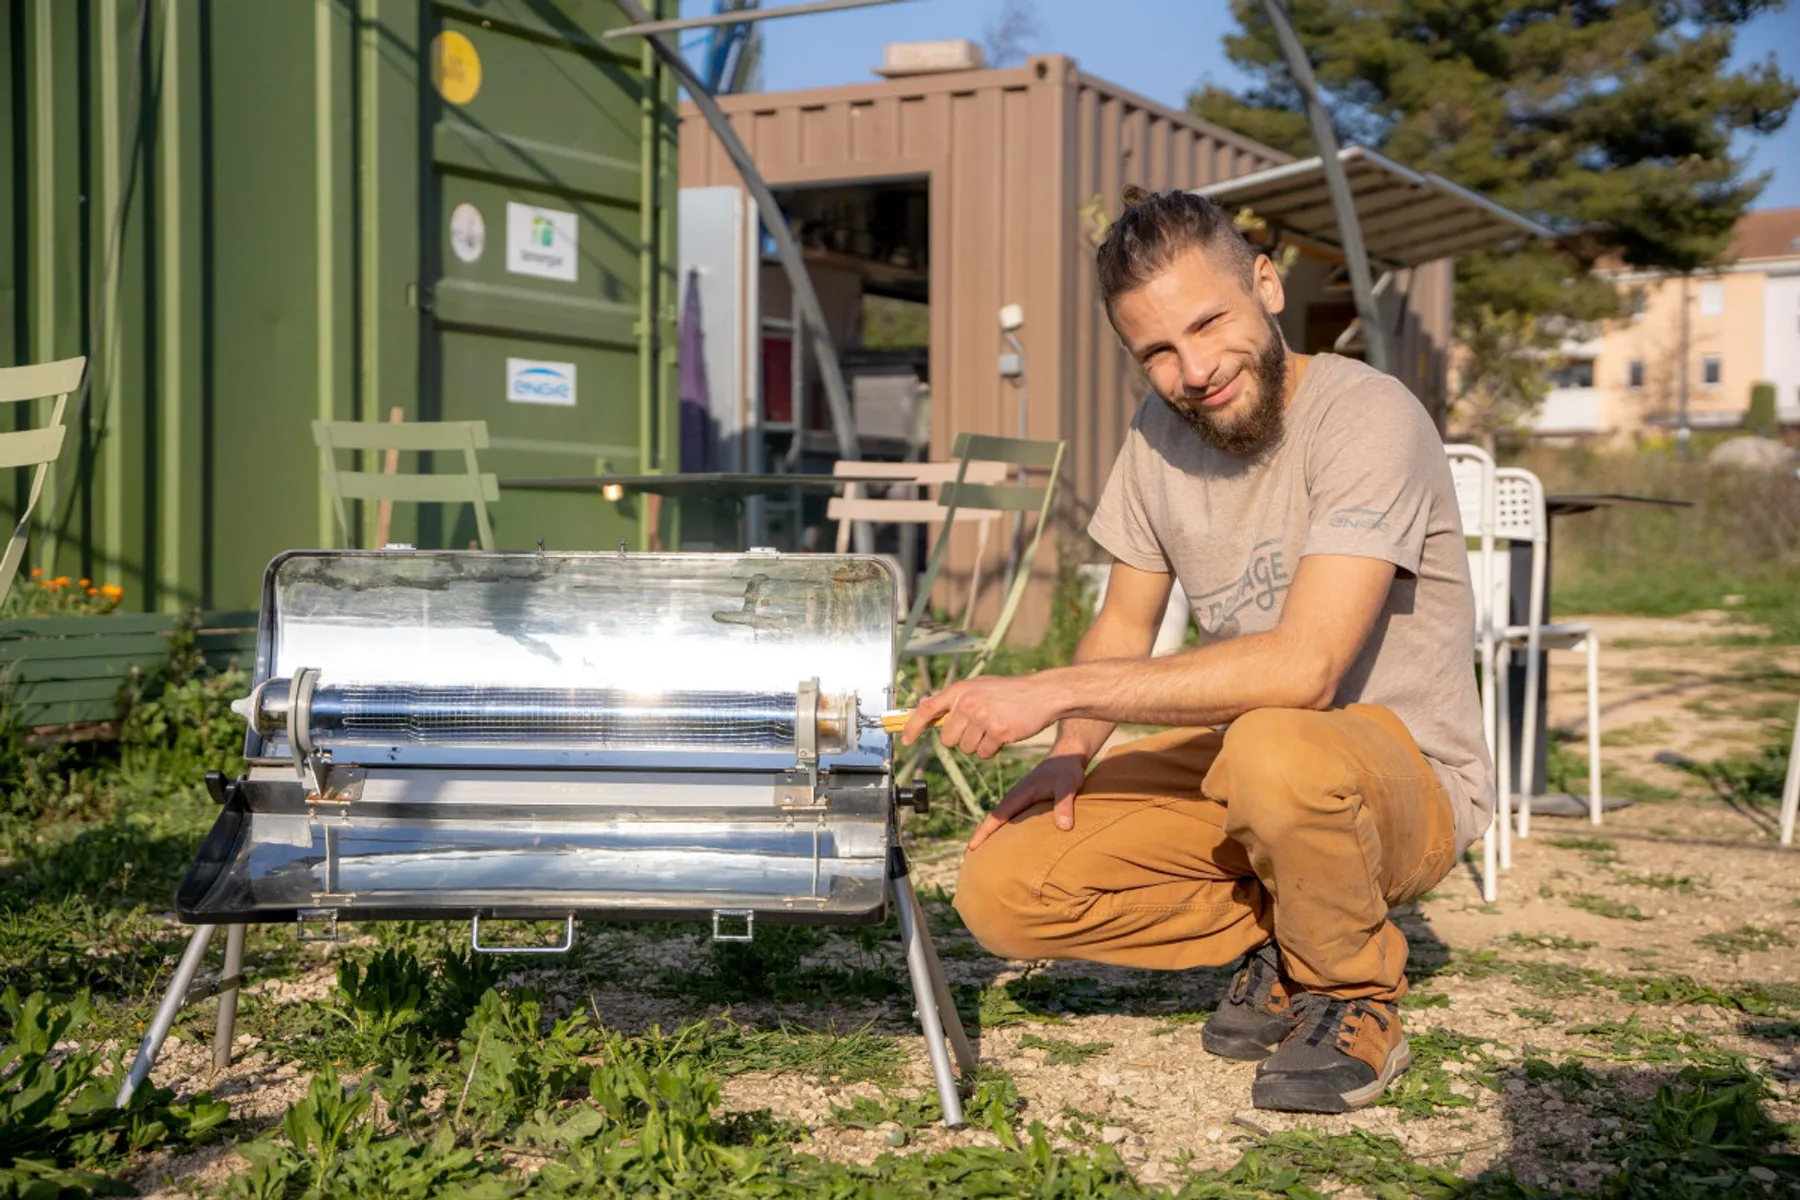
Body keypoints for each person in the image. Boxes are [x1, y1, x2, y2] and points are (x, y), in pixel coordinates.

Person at [900, 186, 1492, 1115]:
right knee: (1005, 886)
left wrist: (1050, 690)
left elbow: (1308, 670)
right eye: (1158, 351)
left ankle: (1353, 994)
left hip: (1402, 781)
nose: (1195, 369)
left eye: (1210, 322)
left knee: (1273, 740)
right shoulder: (1158, 435)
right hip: (1253, 770)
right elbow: (1125, 624)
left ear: (1266, 285)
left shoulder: (1366, 414)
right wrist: (1067, 757)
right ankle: (1297, 927)